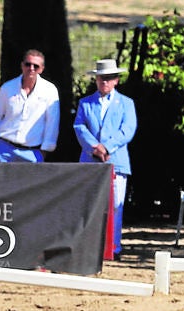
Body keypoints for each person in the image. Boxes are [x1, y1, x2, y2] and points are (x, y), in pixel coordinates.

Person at [74, 59, 137, 257]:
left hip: (116, 160)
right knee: (90, 204)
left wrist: (107, 147)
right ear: (96, 79)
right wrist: (94, 147)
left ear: (116, 80)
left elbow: (127, 129)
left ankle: (113, 247)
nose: (105, 82)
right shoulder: (85, 103)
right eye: (102, 78)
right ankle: (89, 245)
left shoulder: (126, 103)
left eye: (109, 78)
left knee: (116, 205)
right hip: (91, 160)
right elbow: (79, 127)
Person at [0, 49, 59, 162]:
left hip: (32, 153)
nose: (31, 69)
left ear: (42, 69)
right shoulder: (8, 88)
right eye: (28, 64)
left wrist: (44, 151)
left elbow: (52, 123)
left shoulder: (50, 91)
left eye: (36, 66)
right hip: (4, 150)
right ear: (22, 65)